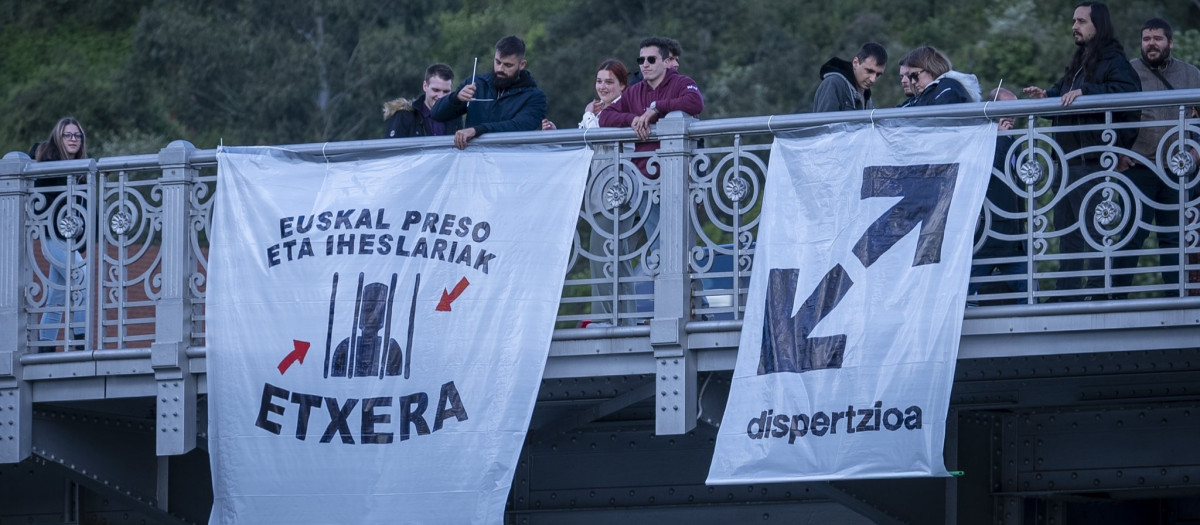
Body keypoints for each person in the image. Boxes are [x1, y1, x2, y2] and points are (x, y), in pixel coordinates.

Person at [1024, 2, 1141, 299]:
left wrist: (1087, 94)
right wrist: (1047, 95)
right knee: (1067, 229)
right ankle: (1068, 292)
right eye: (1074, 21)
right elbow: (1065, 92)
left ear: (1097, 25)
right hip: (1066, 159)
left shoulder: (1113, 60)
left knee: (1096, 228)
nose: (1074, 26)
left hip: (1091, 158)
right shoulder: (1081, 59)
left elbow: (1128, 96)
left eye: (1081, 21)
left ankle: (1101, 292)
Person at [1110, 18, 1200, 295]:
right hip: (1138, 165)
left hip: (1178, 167)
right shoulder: (1127, 72)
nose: (1151, 44)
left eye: (1157, 39)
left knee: (1173, 237)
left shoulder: (1190, 75)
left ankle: (1175, 298)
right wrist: (1117, 155)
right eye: (1147, 39)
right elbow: (1109, 117)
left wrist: (1197, 151)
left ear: (1169, 43)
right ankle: (1114, 296)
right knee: (1131, 235)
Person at [30, 117, 90, 349]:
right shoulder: (48, 162)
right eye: (68, 135)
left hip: (72, 239)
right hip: (53, 237)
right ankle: (81, 343)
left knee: (56, 295)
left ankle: (45, 346)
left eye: (77, 135)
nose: (73, 139)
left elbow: (85, 209)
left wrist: (81, 239)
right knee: (82, 280)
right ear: (58, 137)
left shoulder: (82, 169)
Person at [432, 35, 547, 149]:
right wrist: (455, 98)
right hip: (474, 163)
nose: (500, 69)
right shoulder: (475, 84)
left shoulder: (535, 97)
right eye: (497, 62)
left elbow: (519, 126)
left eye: (508, 65)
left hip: (512, 163)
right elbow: (436, 114)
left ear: (522, 65)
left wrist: (478, 130)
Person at [970, 88, 1029, 304]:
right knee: (970, 292)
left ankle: (1036, 333)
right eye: (1006, 109)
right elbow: (986, 174)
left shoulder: (1015, 141)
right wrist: (1001, 140)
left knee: (1028, 289)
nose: (1011, 115)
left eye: (1014, 109)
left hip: (1014, 235)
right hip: (989, 234)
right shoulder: (981, 139)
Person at [542, 58, 629, 130]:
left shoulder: (626, 108)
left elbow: (598, 140)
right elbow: (581, 143)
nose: (602, 87)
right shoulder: (596, 110)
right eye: (599, 81)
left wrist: (588, 114)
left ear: (622, 85)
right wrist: (555, 134)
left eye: (608, 82)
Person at [383, 63, 462, 138]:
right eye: (436, 90)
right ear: (425, 86)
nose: (441, 96)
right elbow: (392, 150)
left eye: (446, 91)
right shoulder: (404, 116)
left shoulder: (455, 118)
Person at [812, 42, 887, 112]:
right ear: (855, 63)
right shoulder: (833, 84)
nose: (873, 79)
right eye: (869, 71)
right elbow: (825, 125)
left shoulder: (866, 96)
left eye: (878, 74)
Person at [905, 46, 981, 106]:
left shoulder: (947, 91)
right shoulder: (938, 92)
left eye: (915, 75)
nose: (913, 82)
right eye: (910, 77)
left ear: (931, 69)